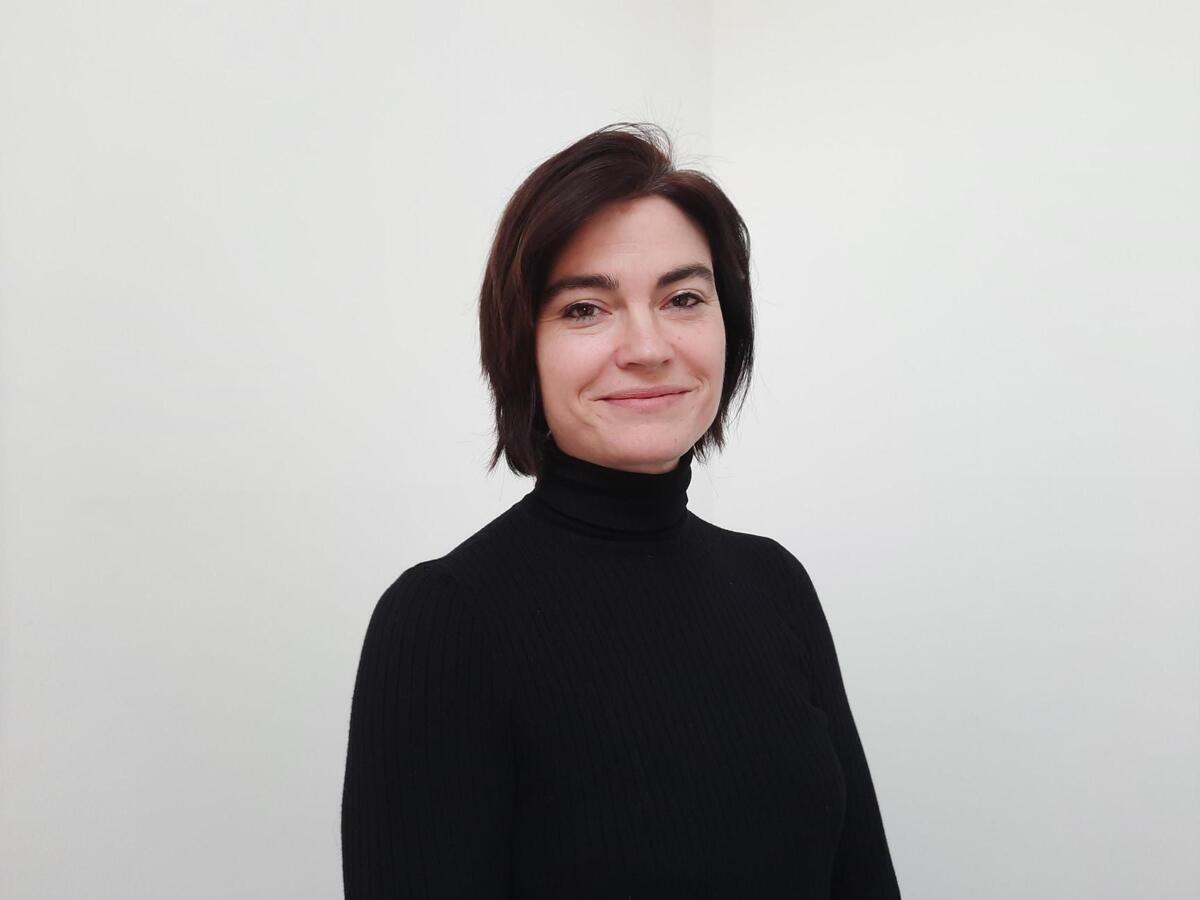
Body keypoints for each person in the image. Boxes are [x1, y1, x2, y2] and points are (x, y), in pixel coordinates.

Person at [340, 122, 901, 899]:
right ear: (523, 346)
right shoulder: (443, 622)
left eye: (683, 298)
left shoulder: (775, 585)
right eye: (585, 309)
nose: (647, 346)